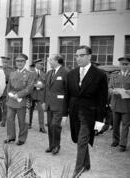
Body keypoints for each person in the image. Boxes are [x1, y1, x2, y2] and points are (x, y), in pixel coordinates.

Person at [63, 45, 108, 177]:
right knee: (78, 139)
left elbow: (102, 100)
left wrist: (100, 121)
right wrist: (65, 114)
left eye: (81, 55)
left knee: (82, 140)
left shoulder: (99, 75)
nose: (78, 58)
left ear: (89, 56)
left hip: (90, 115)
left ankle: (78, 170)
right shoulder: (71, 74)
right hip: (74, 113)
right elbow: (67, 95)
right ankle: (87, 164)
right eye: (76, 56)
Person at [4, 54, 34, 146]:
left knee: (22, 121)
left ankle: (22, 138)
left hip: (22, 100)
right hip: (12, 100)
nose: (19, 63)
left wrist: (18, 95)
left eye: (21, 61)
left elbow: (29, 88)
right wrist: (8, 97)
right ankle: (11, 136)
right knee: (9, 119)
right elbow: (9, 86)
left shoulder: (29, 74)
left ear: (25, 62)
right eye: (17, 61)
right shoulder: (12, 73)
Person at [42, 54, 68, 155]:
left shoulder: (65, 72)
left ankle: (57, 145)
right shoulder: (49, 73)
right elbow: (46, 89)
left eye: (50, 60)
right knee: (50, 125)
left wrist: (66, 107)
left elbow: (67, 90)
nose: (49, 62)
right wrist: (44, 101)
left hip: (59, 105)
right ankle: (51, 145)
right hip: (49, 104)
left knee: (55, 125)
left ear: (57, 60)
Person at [109, 57, 130, 152]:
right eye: (122, 64)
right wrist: (113, 91)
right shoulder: (114, 75)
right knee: (115, 124)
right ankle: (115, 140)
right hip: (116, 103)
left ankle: (123, 144)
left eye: (126, 64)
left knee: (125, 125)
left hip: (127, 105)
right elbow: (109, 88)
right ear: (119, 65)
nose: (124, 66)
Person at [29, 58, 46, 133]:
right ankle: (29, 124)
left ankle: (41, 127)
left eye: (42, 64)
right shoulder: (31, 73)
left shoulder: (44, 74)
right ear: (36, 64)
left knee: (41, 110)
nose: (41, 65)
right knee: (30, 110)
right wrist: (35, 85)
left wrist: (42, 86)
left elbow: (46, 84)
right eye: (40, 64)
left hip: (40, 95)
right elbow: (28, 83)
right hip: (32, 94)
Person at [0, 56, 14, 127]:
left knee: (5, 107)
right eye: (3, 62)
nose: (4, 64)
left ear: (8, 63)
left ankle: (3, 121)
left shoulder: (11, 70)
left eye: (6, 62)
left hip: (6, 90)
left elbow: (12, 80)